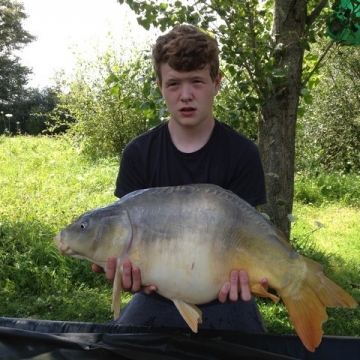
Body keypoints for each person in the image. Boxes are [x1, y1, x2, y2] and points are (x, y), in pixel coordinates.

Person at [93, 24, 268, 332]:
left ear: (217, 83)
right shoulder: (138, 153)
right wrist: (129, 273)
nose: (185, 95)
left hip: (228, 299)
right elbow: (129, 247)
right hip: (157, 298)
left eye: (197, 82)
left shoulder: (243, 153)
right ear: (159, 86)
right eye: (174, 84)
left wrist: (250, 281)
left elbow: (250, 237)